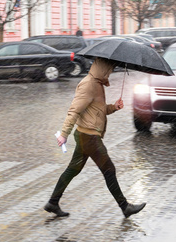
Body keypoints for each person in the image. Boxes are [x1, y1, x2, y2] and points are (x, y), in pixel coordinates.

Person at [44, 57, 146, 218]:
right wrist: (64, 134)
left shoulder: (97, 84)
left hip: (86, 135)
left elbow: (97, 110)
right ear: (103, 68)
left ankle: (53, 202)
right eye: (109, 69)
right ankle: (125, 206)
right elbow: (74, 110)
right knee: (109, 170)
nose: (110, 73)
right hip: (89, 137)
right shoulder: (89, 85)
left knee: (72, 169)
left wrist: (114, 107)